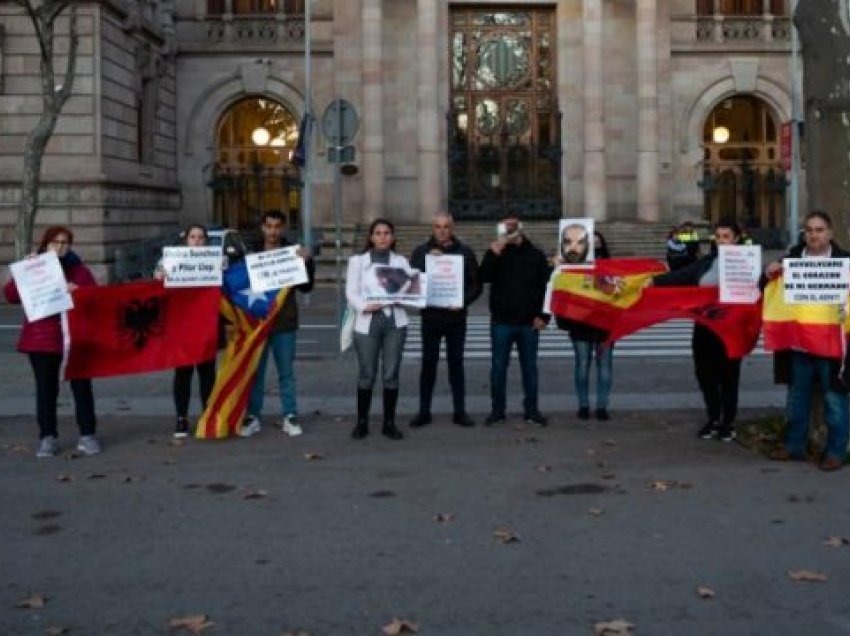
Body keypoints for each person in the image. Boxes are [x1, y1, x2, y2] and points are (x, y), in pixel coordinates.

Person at [3, 226, 100, 458]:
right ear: (46, 244)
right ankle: (48, 437)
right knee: (46, 390)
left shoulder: (79, 271)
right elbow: (11, 296)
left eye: (65, 243)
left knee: (82, 388)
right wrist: (23, 271)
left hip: (75, 338)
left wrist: (79, 291)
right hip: (42, 340)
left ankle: (87, 435)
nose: (60, 247)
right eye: (55, 242)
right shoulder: (34, 267)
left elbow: (96, 299)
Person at [765, 210, 850, 471]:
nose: (813, 235)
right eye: (809, 230)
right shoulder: (791, 259)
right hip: (799, 345)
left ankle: (836, 451)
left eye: (819, 230)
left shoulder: (845, 261)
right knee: (796, 399)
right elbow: (765, 286)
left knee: (835, 401)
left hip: (833, 346)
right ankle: (794, 446)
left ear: (830, 233)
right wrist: (769, 272)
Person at [652, 219, 744, 442]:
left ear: (736, 239)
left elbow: (758, 287)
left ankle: (728, 422)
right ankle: (713, 417)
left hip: (731, 329)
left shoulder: (746, 262)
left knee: (729, 377)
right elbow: (681, 276)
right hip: (704, 328)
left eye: (726, 237)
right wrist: (653, 282)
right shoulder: (706, 262)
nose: (722, 241)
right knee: (705, 375)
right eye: (718, 237)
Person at [240, 211, 315, 438]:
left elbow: (306, 288)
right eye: (269, 226)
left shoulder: (293, 253)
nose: (272, 231)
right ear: (262, 228)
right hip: (257, 323)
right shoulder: (251, 253)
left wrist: (308, 263)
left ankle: (290, 415)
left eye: (277, 227)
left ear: (283, 229)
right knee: (256, 373)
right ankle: (253, 416)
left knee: (286, 373)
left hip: (284, 322)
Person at [409, 212, 481, 428]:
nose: (442, 231)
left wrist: (463, 301)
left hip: (456, 317)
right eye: (438, 227)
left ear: (453, 228)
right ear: (433, 228)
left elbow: (475, 285)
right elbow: (412, 281)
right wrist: (426, 260)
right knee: (428, 364)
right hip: (430, 316)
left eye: (446, 227)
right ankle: (424, 411)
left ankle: (460, 411)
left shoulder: (465, 252)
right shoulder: (421, 251)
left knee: (456, 365)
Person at [479, 213, 551, 426]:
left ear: (521, 227)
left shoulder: (536, 255)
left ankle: (532, 410)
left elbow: (546, 287)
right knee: (499, 368)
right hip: (502, 320)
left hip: (530, 322)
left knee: (530, 368)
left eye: (513, 226)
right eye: (506, 226)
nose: (510, 230)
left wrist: (544, 316)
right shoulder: (496, 252)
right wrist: (493, 254)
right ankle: (497, 411)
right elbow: (483, 276)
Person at [346, 218, 412, 440]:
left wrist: (408, 294)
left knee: (391, 374)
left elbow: (411, 288)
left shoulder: (401, 261)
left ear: (392, 237)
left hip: (395, 322)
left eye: (386, 233)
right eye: (378, 233)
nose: (382, 237)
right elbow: (351, 292)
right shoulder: (358, 262)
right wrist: (365, 305)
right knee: (367, 373)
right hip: (368, 321)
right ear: (371, 237)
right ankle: (362, 422)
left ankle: (389, 423)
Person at [154, 224, 217, 438]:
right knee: (183, 374)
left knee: (207, 373)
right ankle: (181, 418)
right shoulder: (170, 261)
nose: (197, 241)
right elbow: (157, 288)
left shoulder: (214, 261)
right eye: (193, 237)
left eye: (201, 238)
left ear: (206, 242)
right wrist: (159, 276)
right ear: (186, 240)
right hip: (182, 327)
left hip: (206, 326)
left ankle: (208, 415)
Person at [555, 231, 614, 421]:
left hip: (605, 321)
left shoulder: (612, 267)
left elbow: (619, 291)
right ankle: (583, 405)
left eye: (598, 239)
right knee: (582, 364)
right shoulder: (573, 265)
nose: (596, 243)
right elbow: (559, 286)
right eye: (592, 240)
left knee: (604, 365)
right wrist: (559, 266)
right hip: (580, 321)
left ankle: (602, 406)